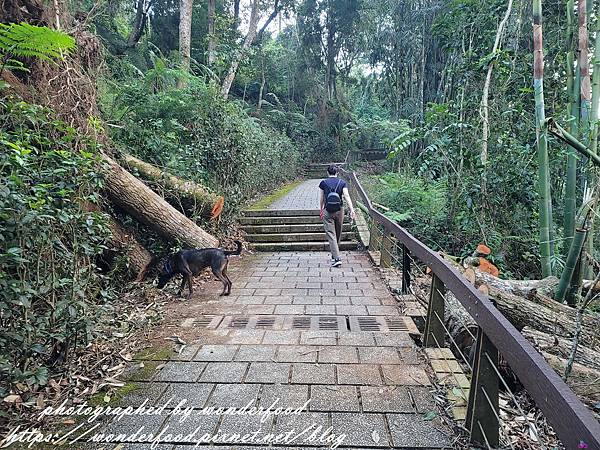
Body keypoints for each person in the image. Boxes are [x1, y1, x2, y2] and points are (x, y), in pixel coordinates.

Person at [319, 164, 355, 267]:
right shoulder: (342, 182)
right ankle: (336, 255)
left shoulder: (323, 183)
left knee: (331, 234)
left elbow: (321, 197)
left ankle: (336, 257)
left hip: (328, 210)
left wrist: (321, 209)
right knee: (338, 232)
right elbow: (346, 196)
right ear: (337, 173)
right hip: (340, 210)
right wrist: (352, 209)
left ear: (327, 172)